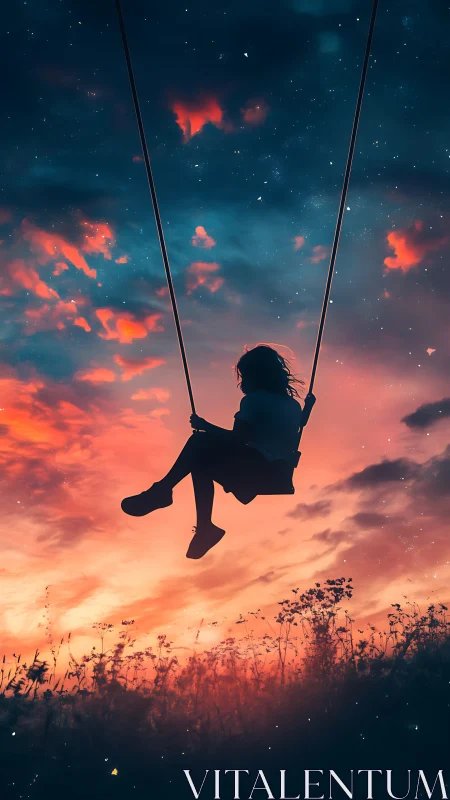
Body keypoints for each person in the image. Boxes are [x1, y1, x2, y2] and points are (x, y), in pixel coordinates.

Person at [121, 345, 315, 560]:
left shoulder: (253, 400)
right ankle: (203, 526)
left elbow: (239, 439)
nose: (242, 382)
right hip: (277, 475)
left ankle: (164, 491)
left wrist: (205, 425)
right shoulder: (293, 405)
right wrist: (308, 408)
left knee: (199, 442)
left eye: (244, 376)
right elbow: (292, 428)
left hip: (256, 470)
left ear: (255, 376)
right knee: (200, 459)